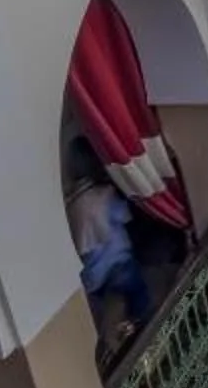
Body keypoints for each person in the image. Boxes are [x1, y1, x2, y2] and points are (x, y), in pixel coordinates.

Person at [65, 139, 152, 343]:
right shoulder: (104, 195)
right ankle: (139, 329)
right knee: (139, 296)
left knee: (102, 315)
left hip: (92, 276)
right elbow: (124, 215)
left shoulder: (71, 207)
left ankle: (111, 339)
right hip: (119, 263)